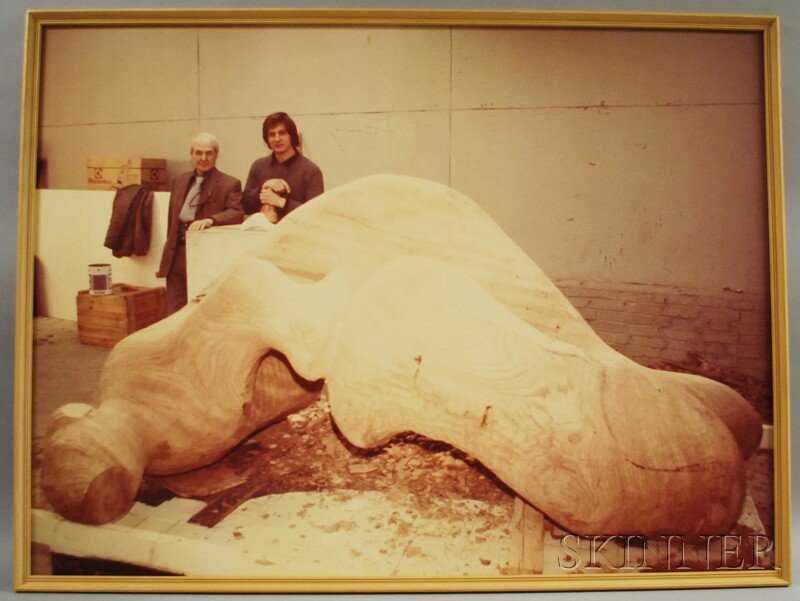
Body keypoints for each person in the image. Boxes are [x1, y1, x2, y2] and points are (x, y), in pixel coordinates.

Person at [157, 133, 244, 314]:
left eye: (209, 153)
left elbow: (237, 213)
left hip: (205, 255)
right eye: (198, 153)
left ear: (216, 155)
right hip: (177, 253)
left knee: (202, 311)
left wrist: (211, 220)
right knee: (174, 310)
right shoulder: (179, 181)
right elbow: (172, 218)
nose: (203, 158)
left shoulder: (230, 183)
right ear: (191, 154)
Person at [241, 112, 324, 220]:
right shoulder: (258, 166)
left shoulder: (310, 170)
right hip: (262, 233)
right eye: (272, 134)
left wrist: (281, 202)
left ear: (292, 136)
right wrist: (264, 186)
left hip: (296, 232)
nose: (277, 139)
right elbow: (245, 207)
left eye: (282, 133)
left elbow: (315, 214)